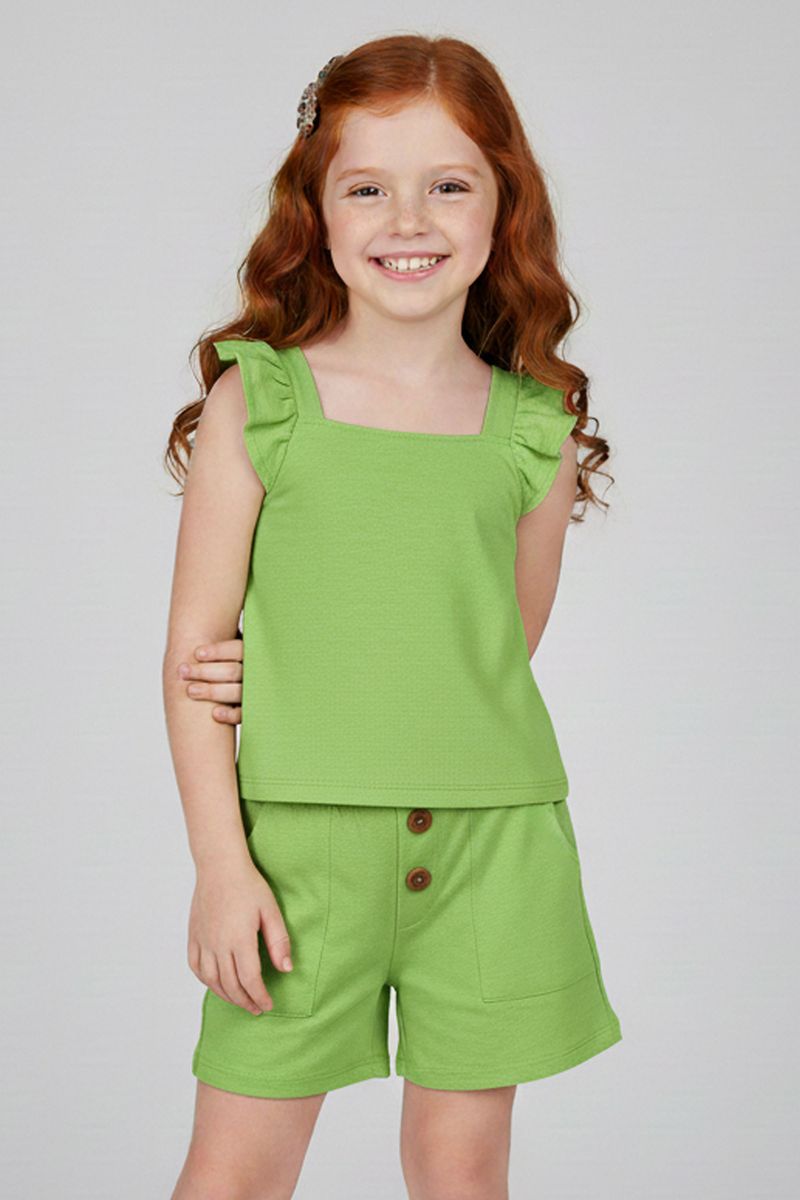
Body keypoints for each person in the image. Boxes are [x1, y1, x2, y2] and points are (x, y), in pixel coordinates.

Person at [162, 32, 622, 1200]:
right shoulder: (259, 402)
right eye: (366, 187)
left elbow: (494, 647)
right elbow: (192, 661)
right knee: (236, 1172)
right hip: (297, 857)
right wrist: (221, 865)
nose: (407, 220)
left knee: (462, 1172)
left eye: (448, 185)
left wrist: (332, 665)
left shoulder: (533, 429)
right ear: (315, 211)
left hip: (492, 847)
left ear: (501, 205)